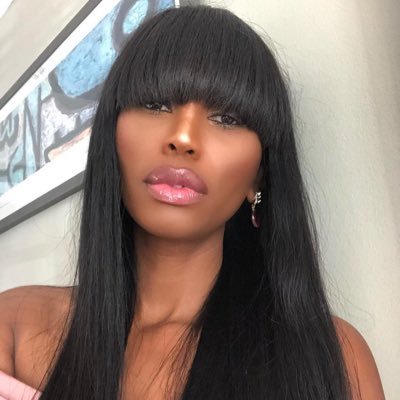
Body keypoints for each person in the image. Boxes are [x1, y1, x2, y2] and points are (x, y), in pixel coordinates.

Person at [0, 4, 385, 400]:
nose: (182, 138)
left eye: (227, 118)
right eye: (155, 104)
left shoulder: (335, 359)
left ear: (259, 175)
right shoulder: (14, 327)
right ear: (110, 138)